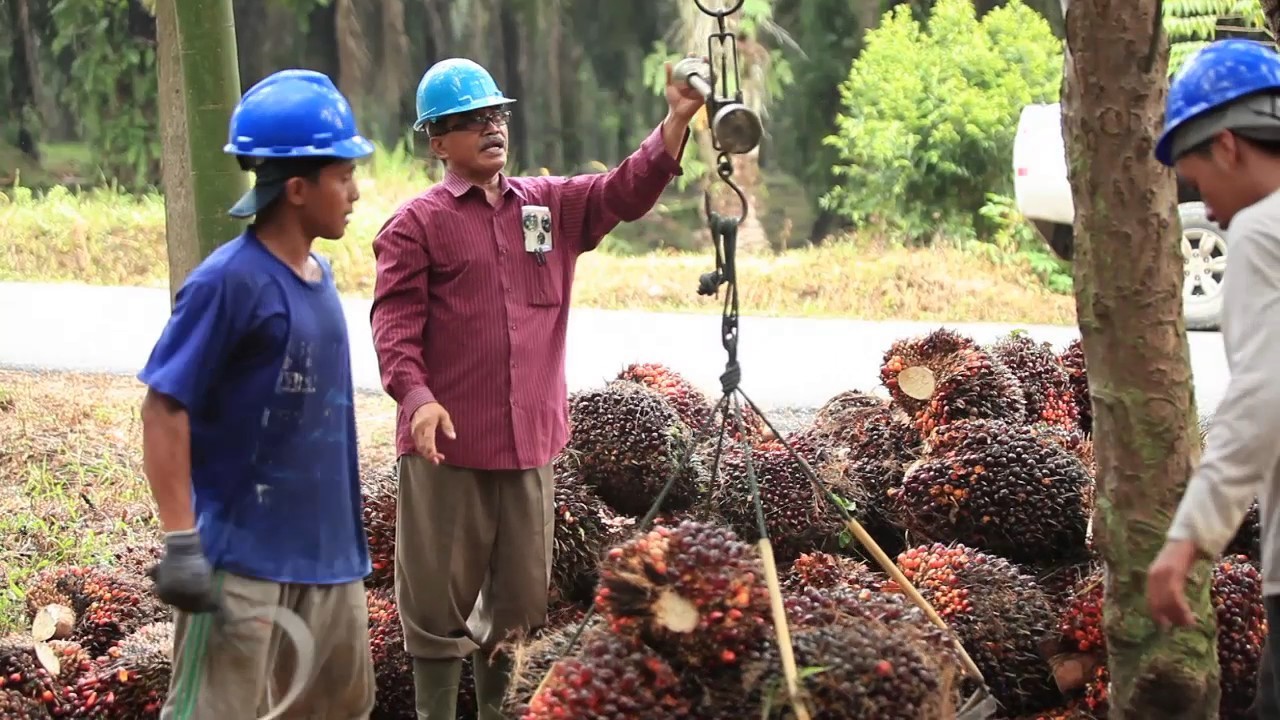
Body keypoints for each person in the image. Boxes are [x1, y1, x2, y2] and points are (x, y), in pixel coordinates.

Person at [368, 56, 705, 718]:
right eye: (469, 121)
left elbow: (623, 190)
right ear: (437, 141)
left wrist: (676, 118)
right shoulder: (416, 225)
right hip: (448, 452)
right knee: (437, 610)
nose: (491, 128)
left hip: (530, 450)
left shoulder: (547, 206)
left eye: (496, 115)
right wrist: (417, 397)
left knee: (518, 609)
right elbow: (393, 329)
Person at [137, 68, 378, 719]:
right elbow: (164, 407)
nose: (355, 193)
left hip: (331, 565)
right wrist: (182, 542)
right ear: (297, 188)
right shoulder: (229, 284)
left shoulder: (319, 276)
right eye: (344, 176)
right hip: (243, 571)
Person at [1146, 38, 1280, 717]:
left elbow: (1263, 397)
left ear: (1228, 145)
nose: (1211, 211)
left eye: (1199, 184)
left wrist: (1186, 540)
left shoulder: (1262, 230)